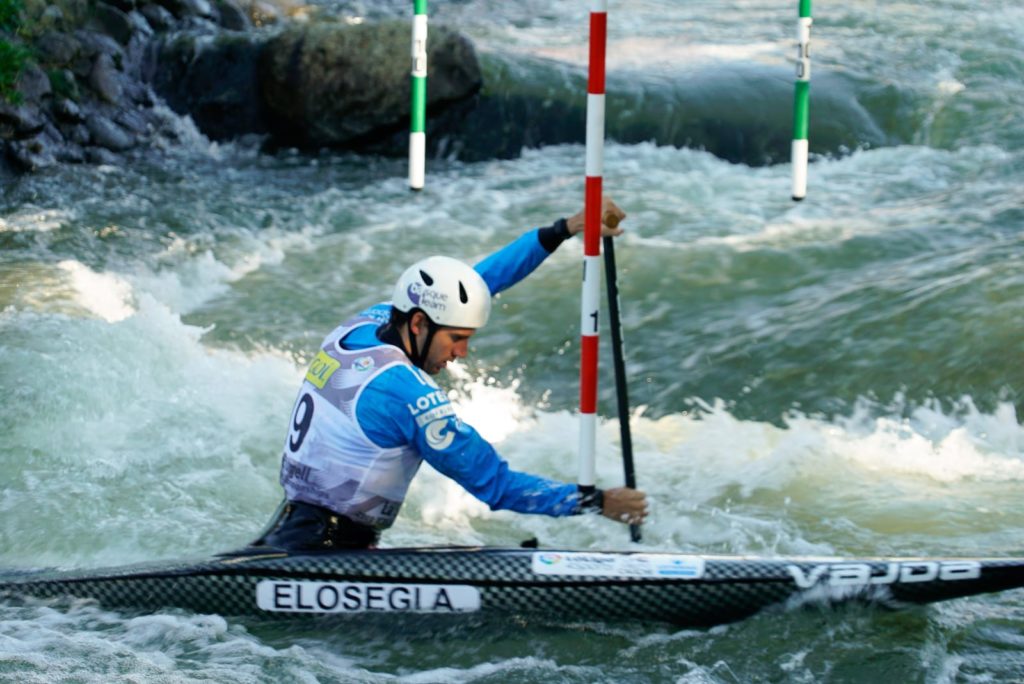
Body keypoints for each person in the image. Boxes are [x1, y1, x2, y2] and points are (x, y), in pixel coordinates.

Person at [252, 198, 648, 551]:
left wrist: (564, 229)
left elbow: (481, 281)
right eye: (456, 339)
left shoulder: (365, 324)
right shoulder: (408, 395)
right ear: (420, 324)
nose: (461, 353)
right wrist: (595, 502)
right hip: (326, 555)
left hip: (289, 530)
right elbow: (495, 484)